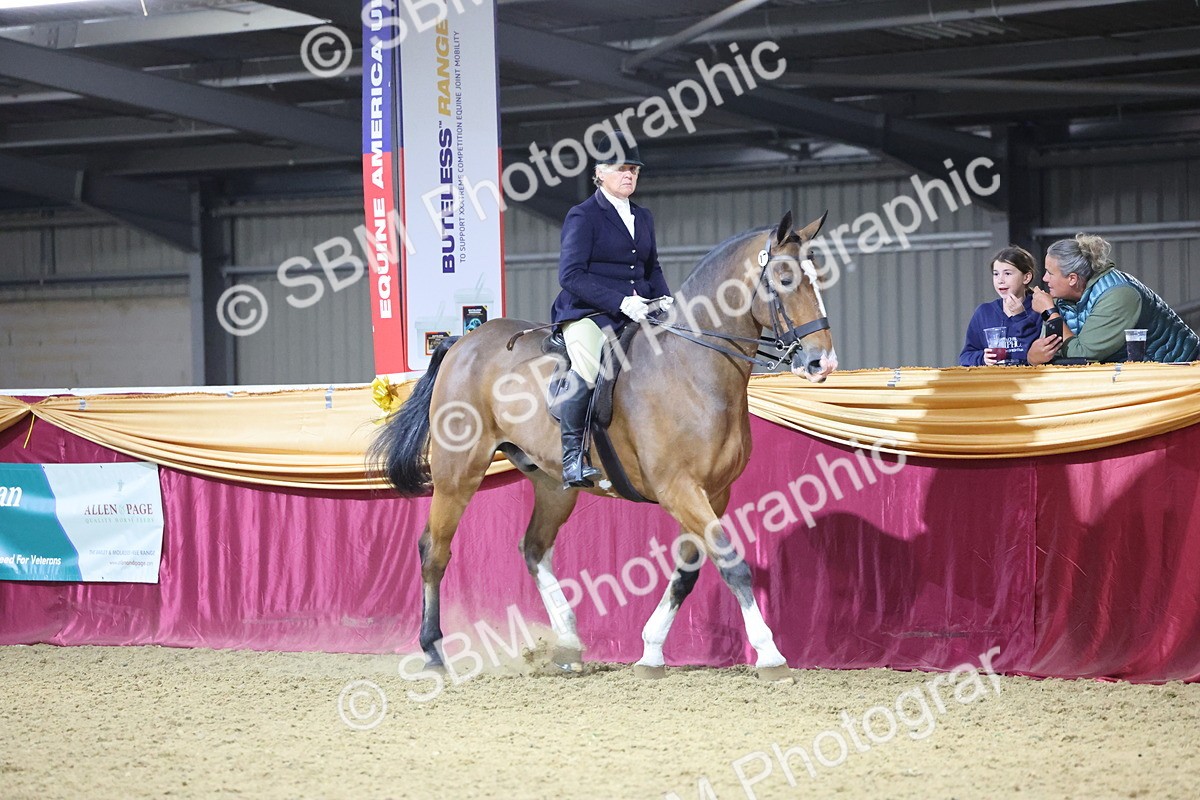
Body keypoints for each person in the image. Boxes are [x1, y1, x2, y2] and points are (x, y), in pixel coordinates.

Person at [548, 136, 673, 489]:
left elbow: (652, 268)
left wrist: (665, 299)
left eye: (633, 169)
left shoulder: (643, 216)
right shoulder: (584, 215)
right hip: (588, 312)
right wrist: (620, 301)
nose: (629, 175)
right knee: (588, 367)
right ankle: (573, 460)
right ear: (600, 174)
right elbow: (570, 275)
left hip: (637, 311)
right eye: (622, 169)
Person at [1027, 233, 1199, 365]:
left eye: (1050, 273)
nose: (1044, 279)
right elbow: (1056, 351)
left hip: (1181, 374)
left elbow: (1083, 355)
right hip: (1139, 378)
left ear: (1072, 279)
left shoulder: (1118, 295)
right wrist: (1034, 357)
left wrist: (1050, 313)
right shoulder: (1062, 298)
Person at [959, 246, 1042, 366]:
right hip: (994, 382)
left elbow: (1036, 353)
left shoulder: (1039, 309)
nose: (1000, 280)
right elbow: (965, 357)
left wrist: (1020, 317)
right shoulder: (984, 313)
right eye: (996, 274)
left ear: (1026, 277)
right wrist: (983, 358)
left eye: (1007, 273)